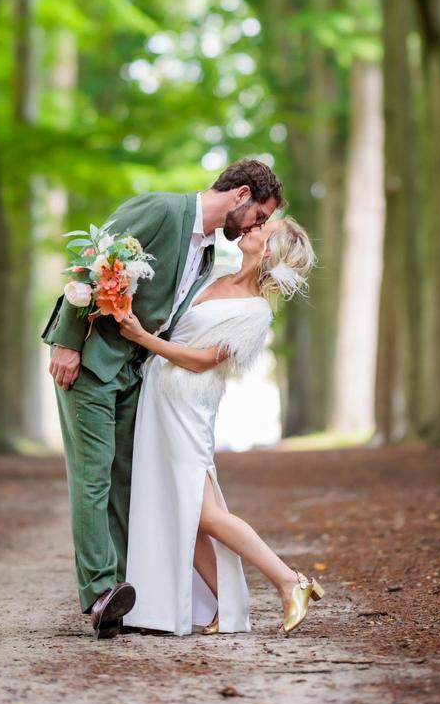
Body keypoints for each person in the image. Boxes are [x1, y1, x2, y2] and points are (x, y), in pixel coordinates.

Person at [43, 159, 284, 638]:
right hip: (90, 360)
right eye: (260, 214)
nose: (260, 225)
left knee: (126, 482)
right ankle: (100, 593)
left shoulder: (212, 253)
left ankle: (130, 594)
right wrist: (67, 342)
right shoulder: (160, 210)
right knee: (93, 477)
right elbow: (94, 263)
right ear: (240, 195)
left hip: (135, 372)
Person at [119, 213, 322, 636]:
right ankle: (226, 605)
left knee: (204, 513)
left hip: (187, 406)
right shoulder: (216, 274)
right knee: (185, 510)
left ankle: (289, 580)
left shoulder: (255, 312)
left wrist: (143, 339)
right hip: (158, 397)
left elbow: (201, 360)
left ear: (269, 250)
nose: (252, 226)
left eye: (262, 228)